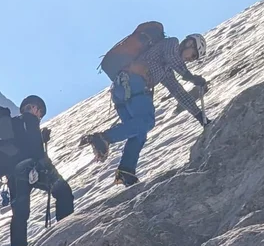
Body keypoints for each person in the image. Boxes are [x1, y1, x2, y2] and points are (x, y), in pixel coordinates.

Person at [84, 28, 211, 186]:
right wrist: (191, 77)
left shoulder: (167, 70)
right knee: (147, 120)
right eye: (193, 55)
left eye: (194, 59)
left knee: (139, 132)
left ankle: (126, 171)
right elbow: (172, 58)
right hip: (133, 82)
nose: (190, 60)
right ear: (189, 43)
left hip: (120, 90)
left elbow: (179, 93)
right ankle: (104, 138)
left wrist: (200, 117)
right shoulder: (171, 43)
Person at [1, 97, 75, 246]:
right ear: (33, 107)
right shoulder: (30, 120)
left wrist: (41, 137)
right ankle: (65, 230)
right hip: (31, 167)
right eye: (40, 111)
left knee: (20, 213)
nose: (39, 115)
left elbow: (23, 145)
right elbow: (35, 149)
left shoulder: (13, 125)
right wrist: (46, 166)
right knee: (63, 191)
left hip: (14, 175)